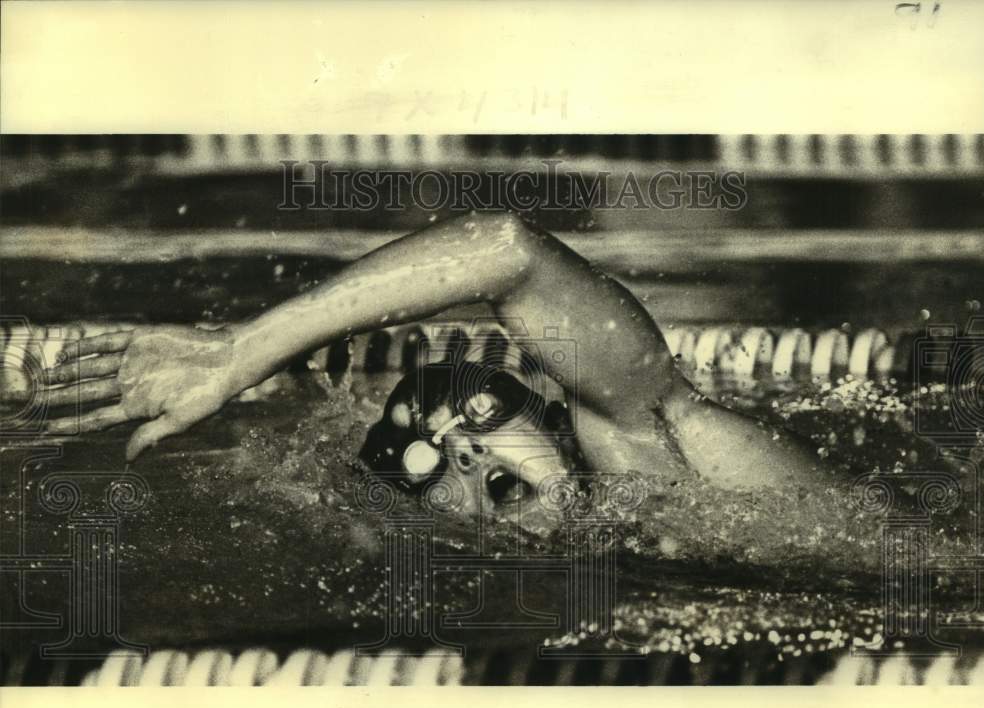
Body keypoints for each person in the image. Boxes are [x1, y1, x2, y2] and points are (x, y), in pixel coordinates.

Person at [39, 211, 845, 528]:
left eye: (486, 432)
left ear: (555, 431)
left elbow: (508, 251)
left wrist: (240, 353)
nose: (466, 456)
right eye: (444, 468)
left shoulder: (660, 445)